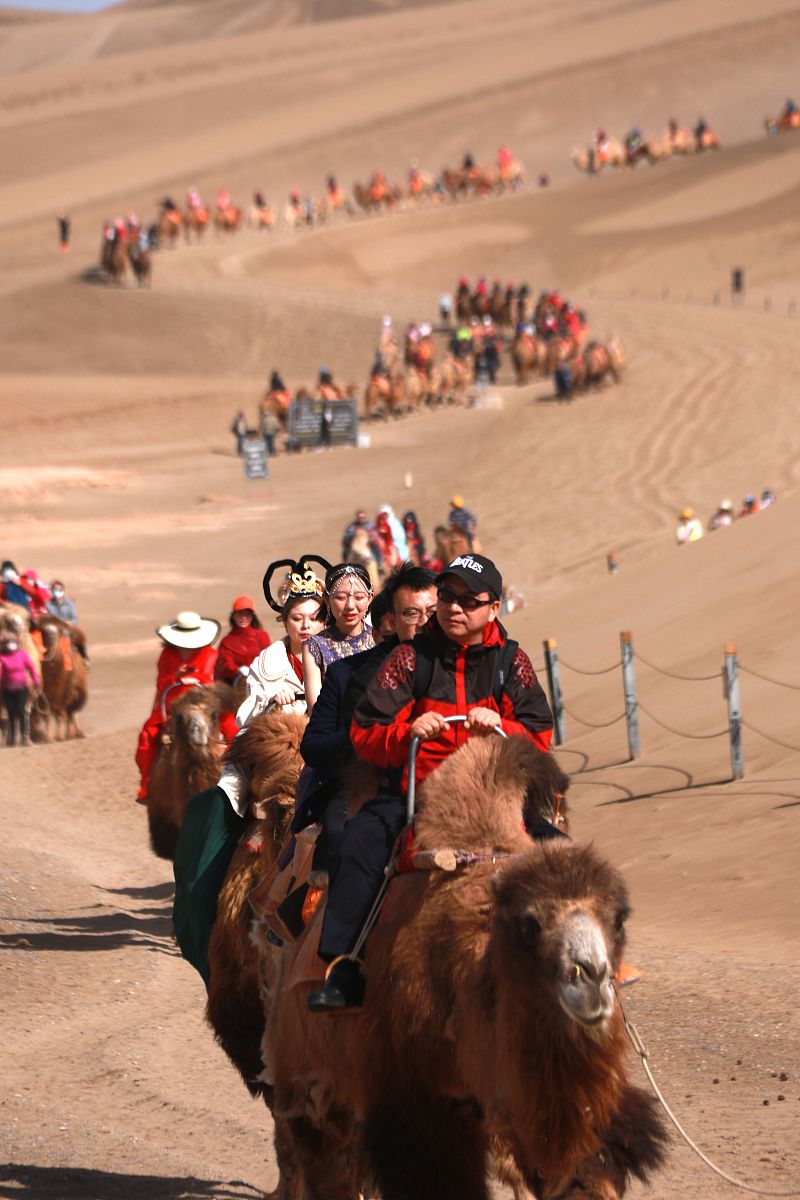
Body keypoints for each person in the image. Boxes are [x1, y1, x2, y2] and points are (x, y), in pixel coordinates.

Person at [308, 553, 554, 1010]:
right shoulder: (408, 659)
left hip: (494, 796)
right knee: (361, 840)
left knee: (561, 852)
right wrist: (408, 733)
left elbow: (539, 735)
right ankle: (345, 965)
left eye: (469, 600)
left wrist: (501, 728)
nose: (455, 607)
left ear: (493, 608)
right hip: (418, 794)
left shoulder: (510, 662)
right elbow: (365, 731)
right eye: (448, 596)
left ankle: (586, 963)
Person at [297, 565, 437, 868]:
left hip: (442, 777)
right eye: (412, 614)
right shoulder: (349, 671)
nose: (425, 622)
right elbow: (316, 740)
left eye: (432, 612)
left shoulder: (461, 661)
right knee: (344, 836)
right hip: (365, 777)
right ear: (391, 621)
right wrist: (364, 733)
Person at [134, 611, 223, 803]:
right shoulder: (167, 654)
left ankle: (236, 781)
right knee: (147, 736)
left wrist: (198, 679)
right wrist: (174, 677)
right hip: (171, 706)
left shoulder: (211, 654)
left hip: (204, 704)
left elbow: (216, 681)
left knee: (232, 732)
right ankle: (147, 784)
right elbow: (161, 684)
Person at [302, 563, 374, 713]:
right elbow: (316, 708)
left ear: (370, 598)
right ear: (327, 599)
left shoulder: (381, 638)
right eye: (341, 597)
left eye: (359, 597)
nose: (350, 606)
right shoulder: (314, 646)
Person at [214, 596, 272, 685]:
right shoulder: (227, 642)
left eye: (247, 614)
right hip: (237, 683)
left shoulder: (262, 636)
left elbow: (269, 658)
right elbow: (225, 665)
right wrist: (238, 670)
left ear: (252, 616)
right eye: (240, 614)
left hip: (263, 680)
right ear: (233, 616)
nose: (244, 617)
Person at [0, 627, 41, 747]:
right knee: (11, 713)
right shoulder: (2, 657)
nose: (10, 644)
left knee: (21, 711)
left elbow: (31, 668)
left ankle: (25, 737)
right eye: (8, 642)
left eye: (12, 642)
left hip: (22, 688)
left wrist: (36, 682)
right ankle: (13, 738)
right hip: (8, 690)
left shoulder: (22, 655)